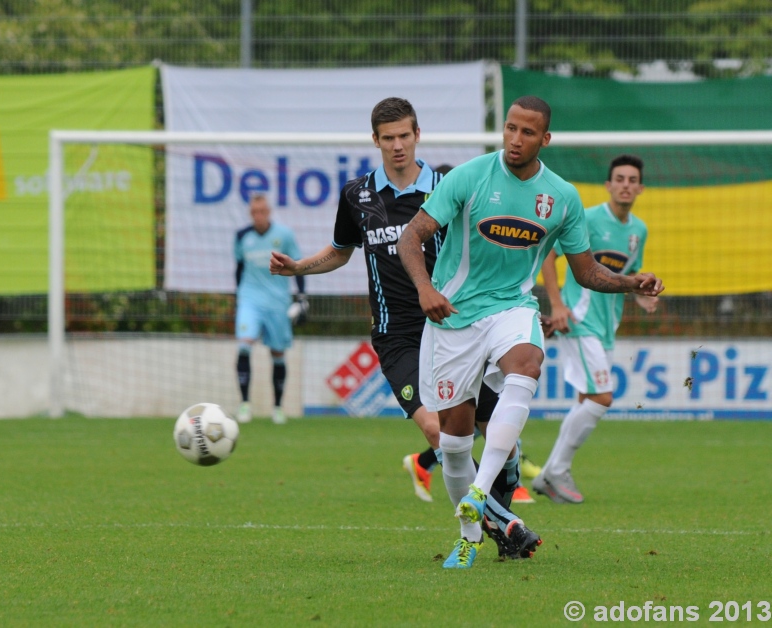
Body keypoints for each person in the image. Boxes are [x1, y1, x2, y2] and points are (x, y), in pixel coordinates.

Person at [398, 96, 664, 569]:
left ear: (545, 139)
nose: (515, 139)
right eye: (510, 129)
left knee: (528, 362)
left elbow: (585, 271)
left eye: (527, 132)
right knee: (454, 446)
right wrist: (424, 288)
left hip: (513, 308)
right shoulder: (469, 176)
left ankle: (483, 491)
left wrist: (630, 281)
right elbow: (410, 237)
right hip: (451, 317)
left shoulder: (560, 196)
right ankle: (468, 536)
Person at [270, 97, 530, 559]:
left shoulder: (449, 188)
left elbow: (486, 249)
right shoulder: (358, 196)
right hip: (399, 337)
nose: (396, 146)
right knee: (438, 432)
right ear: (375, 141)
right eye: (387, 138)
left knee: (495, 434)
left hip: (457, 326)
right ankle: (502, 527)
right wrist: (299, 269)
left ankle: (503, 502)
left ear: (417, 135)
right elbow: (340, 251)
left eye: (404, 136)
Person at [533, 154, 658, 504]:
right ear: (608, 185)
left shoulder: (639, 231)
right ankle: (554, 470)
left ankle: (551, 474)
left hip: (606, 327)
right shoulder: (587, 218)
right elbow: (548, 255)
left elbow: (628, 276)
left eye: (632, 180)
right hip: (579, 319)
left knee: (587, 399)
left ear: (640, 188)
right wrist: (557, 305)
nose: (625, 185)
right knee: (603, 397)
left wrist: (642, 297)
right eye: (619, 178)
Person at [234, 193, 306, 425]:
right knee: (244, 346)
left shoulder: (284, 235)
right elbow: (239, 268)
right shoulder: (242, 236)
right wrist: (239, 296)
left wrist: (302, 297)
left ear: (269, 212)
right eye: (254, 212)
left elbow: (297, 265)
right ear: (250, 214)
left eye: (262, 211)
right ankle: (245, 405)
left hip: (277, 302)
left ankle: (277, 407)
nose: (259, 216)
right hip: (250, 300)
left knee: (277, 354)